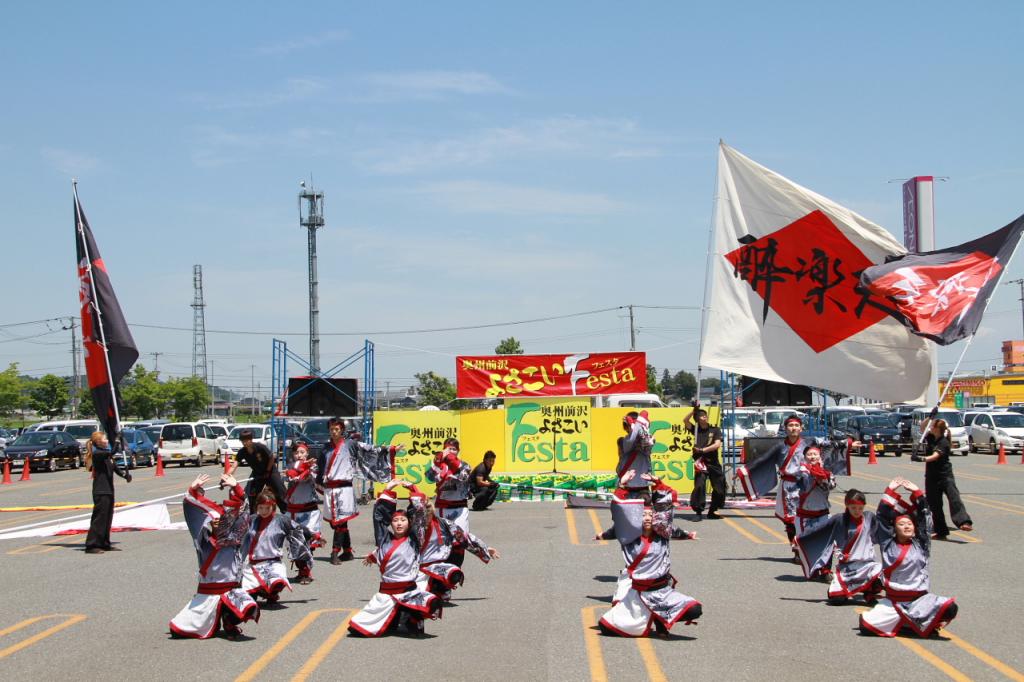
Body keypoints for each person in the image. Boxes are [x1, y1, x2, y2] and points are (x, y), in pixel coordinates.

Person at [598, 470, 702, 638]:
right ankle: (654, 618)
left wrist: (658, 484)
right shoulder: (630, 537)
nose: (647, 518)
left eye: (650, 514)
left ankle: (660, 620)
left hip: (662, 591)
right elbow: (619, 518)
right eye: (643, 515)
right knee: (605, 627)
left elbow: (668, 517)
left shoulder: (662, 533)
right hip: (638, 594)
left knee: (695, 610)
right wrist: (622, 485)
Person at [737, 416, 858, 554]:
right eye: (790, 425)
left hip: (808, 484)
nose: (793, 428)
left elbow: (828, 444)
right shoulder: (779, 446)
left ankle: (811, 547)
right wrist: (743, 471)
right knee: (790, 521)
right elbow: (764, 459)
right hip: (788, 487)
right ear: (785, 428)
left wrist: (847, 444)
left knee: (811, 517)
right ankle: (796, 549)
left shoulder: (810, 441)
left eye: (796, 425)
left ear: (801, 428)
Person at [859, 477, 959, 637]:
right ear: (895, 528)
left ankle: (911, 623)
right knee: (865, 626)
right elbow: (882, 518)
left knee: (950, 608)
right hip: (894, 602)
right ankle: (908, 624)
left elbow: (925, 518)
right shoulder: (888, 544)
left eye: (909, 524)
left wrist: (917, 493)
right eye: (901, 524)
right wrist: (890, 491)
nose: (906, 526)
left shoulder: (922, 544)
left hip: (918, 601)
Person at [169, 473, 260, 640]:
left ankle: (229, 621)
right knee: (177, 630)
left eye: (220, 519)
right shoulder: (203, 541)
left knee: (248, 606)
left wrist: (236, 488)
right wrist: (193, 490)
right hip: (208, 593)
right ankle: (216, 618)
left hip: (231, 590)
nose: (217, 522)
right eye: (214, 520)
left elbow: (244, 513)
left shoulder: (235, 539)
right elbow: (192, 515)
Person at [348, 480, 443, 637]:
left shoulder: (414, 539)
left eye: (403, 520)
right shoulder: (383, 540)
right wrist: (388, 489)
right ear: (391, 524)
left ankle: (409, 618)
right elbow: (379, 518)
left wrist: (412, 489)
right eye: (395, 520)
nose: (399, 524)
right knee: (357, 630)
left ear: (409, 522)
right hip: (386, 593)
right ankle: (396, 618)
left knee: (426, 611)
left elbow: (419, 515)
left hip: (408, 592)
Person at [318, 417, 400, 565]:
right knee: (336, 523)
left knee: (340, 522)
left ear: (342, 430)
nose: (334, 432)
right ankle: (348, 551)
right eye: (331, 429)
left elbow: (369, 449)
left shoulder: (350, 444)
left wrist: (390, 449)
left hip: (344, 489)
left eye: (337, 429)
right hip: (330, 489)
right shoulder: (325, 448)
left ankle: (335, 552)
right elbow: (320, 469)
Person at [795, 488, 883, 600]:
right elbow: (820, 529)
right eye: (853, 508)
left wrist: (890, 493)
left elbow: (884, 528)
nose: (857, 511)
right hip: (847, 567)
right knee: (836, 599)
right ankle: (846, 589)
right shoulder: (839, 519)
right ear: (847, 505)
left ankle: (869, 591)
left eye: (860, 508)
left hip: (867, 564)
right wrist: (800, 539)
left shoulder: (869, 517)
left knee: (880, 576)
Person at [419, 495, 500, 601]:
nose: (424, 516)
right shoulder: (407, 526)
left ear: (432, 512)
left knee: (455, 563)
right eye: (420, 513)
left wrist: (485, 548)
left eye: (427, 512)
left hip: (436, 566)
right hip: (413, 569)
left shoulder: (444, 524)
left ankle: (442, 588)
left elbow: (464, 538)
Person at [241, 489, 313, 604]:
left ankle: (272, 593)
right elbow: (237, 523)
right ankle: (263, 592)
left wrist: (314, 536)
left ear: (273, 506)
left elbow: (299, 529)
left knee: (277, 582)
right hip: (253, 564)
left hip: (273, 563)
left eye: (267, 508)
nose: (263, 511)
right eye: (261, 508)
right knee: (249, 599)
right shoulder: (252, 519)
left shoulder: (281, 520)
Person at [919, 419, 973, 539]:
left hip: (945, 476)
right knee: (935, 504)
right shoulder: (931, 438)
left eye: (932, 426)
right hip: (931, 476)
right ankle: (941, 531)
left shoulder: (944, 442)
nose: (930, 428)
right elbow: (922, 428)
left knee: (954, 498)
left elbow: (935, 456)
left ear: (937, 429)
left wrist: (921, 459)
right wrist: (930, 416)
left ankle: (964, 522)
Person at [427, 438, 473, 566]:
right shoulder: (439, 465)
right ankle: (442, 567)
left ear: (458, 451)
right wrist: (437, 461)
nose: (451, 451)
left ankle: (456, 567)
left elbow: (463, 476)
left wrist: (451, 460)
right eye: (448, 449)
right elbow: (429, 477)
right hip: (442, 507)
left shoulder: (464, 465)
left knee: (460, 539)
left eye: (454, 449)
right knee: (442, 539)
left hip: (460, 508)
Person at [84, 430, 132, 554]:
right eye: (105, 439)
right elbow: (112, 451)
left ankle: (104, 543)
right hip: (100, 490)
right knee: (99, 518)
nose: (106, 441)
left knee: (107, 517)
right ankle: (92, 545)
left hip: (109, 489)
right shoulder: (98, 454)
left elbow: (115, 468)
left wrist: (125, 475)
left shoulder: (107, 455)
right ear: (98, 442)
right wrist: (117, 440)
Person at [284, 443, 323, 583]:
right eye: (296, 453)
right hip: (292, 511)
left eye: (302, 452)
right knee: (294, 542)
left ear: (307, 453)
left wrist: (307, 469)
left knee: (306, 541)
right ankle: (301, 570)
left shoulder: (313, 467)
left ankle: (306, 572)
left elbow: (317, 481)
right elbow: (288, 478)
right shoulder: (290, 467)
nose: (299, 455)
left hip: (309, 511)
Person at [684, 407, 725, 521]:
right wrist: (693, 411)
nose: (705, 416)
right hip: (701, 462)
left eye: (705, 415)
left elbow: (717, 445)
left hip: (713, 462)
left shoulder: (715, 429)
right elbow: (685, 421)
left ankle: (712, 511)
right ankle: (698, 512)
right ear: (697, 418)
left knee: (719, 487)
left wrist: (702, 450)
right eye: (702, 415)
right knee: (699, 486)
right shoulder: (695, 429)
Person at [235, 429, 288, 514]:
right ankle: (252, 514)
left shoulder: (260, 447)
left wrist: (267, 471)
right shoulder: (242, 452)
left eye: (246, 440)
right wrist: (226, 476)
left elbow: (271, 457)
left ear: (251, 440)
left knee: (279, 492)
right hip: (257, 473)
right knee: (251, 494)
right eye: (242, 441)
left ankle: (287, 512)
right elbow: (234, 464)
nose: (244, 443)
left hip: (270, 472)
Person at [616, 411, 655, 498]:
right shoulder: (622, 441)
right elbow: (631, 441)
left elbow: (647, 446)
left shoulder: (648, 440)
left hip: (640, 486)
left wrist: (636, 426)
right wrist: (637, 426)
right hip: (628, 485)